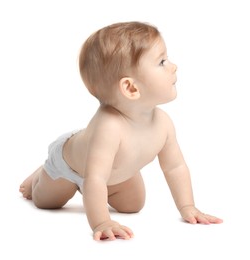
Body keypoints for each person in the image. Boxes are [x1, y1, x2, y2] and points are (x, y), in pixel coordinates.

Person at [19, 21, 223, 241]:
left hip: (112, 171)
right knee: (45, 202)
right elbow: (94, 179)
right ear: (131, 88)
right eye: (162, 62)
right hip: (70, 165)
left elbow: (175, 167)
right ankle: (40, 173)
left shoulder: (163, 123)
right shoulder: (109, 127)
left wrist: (187, 206)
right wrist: (101, 222)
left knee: (133, 205)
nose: (173, 66)